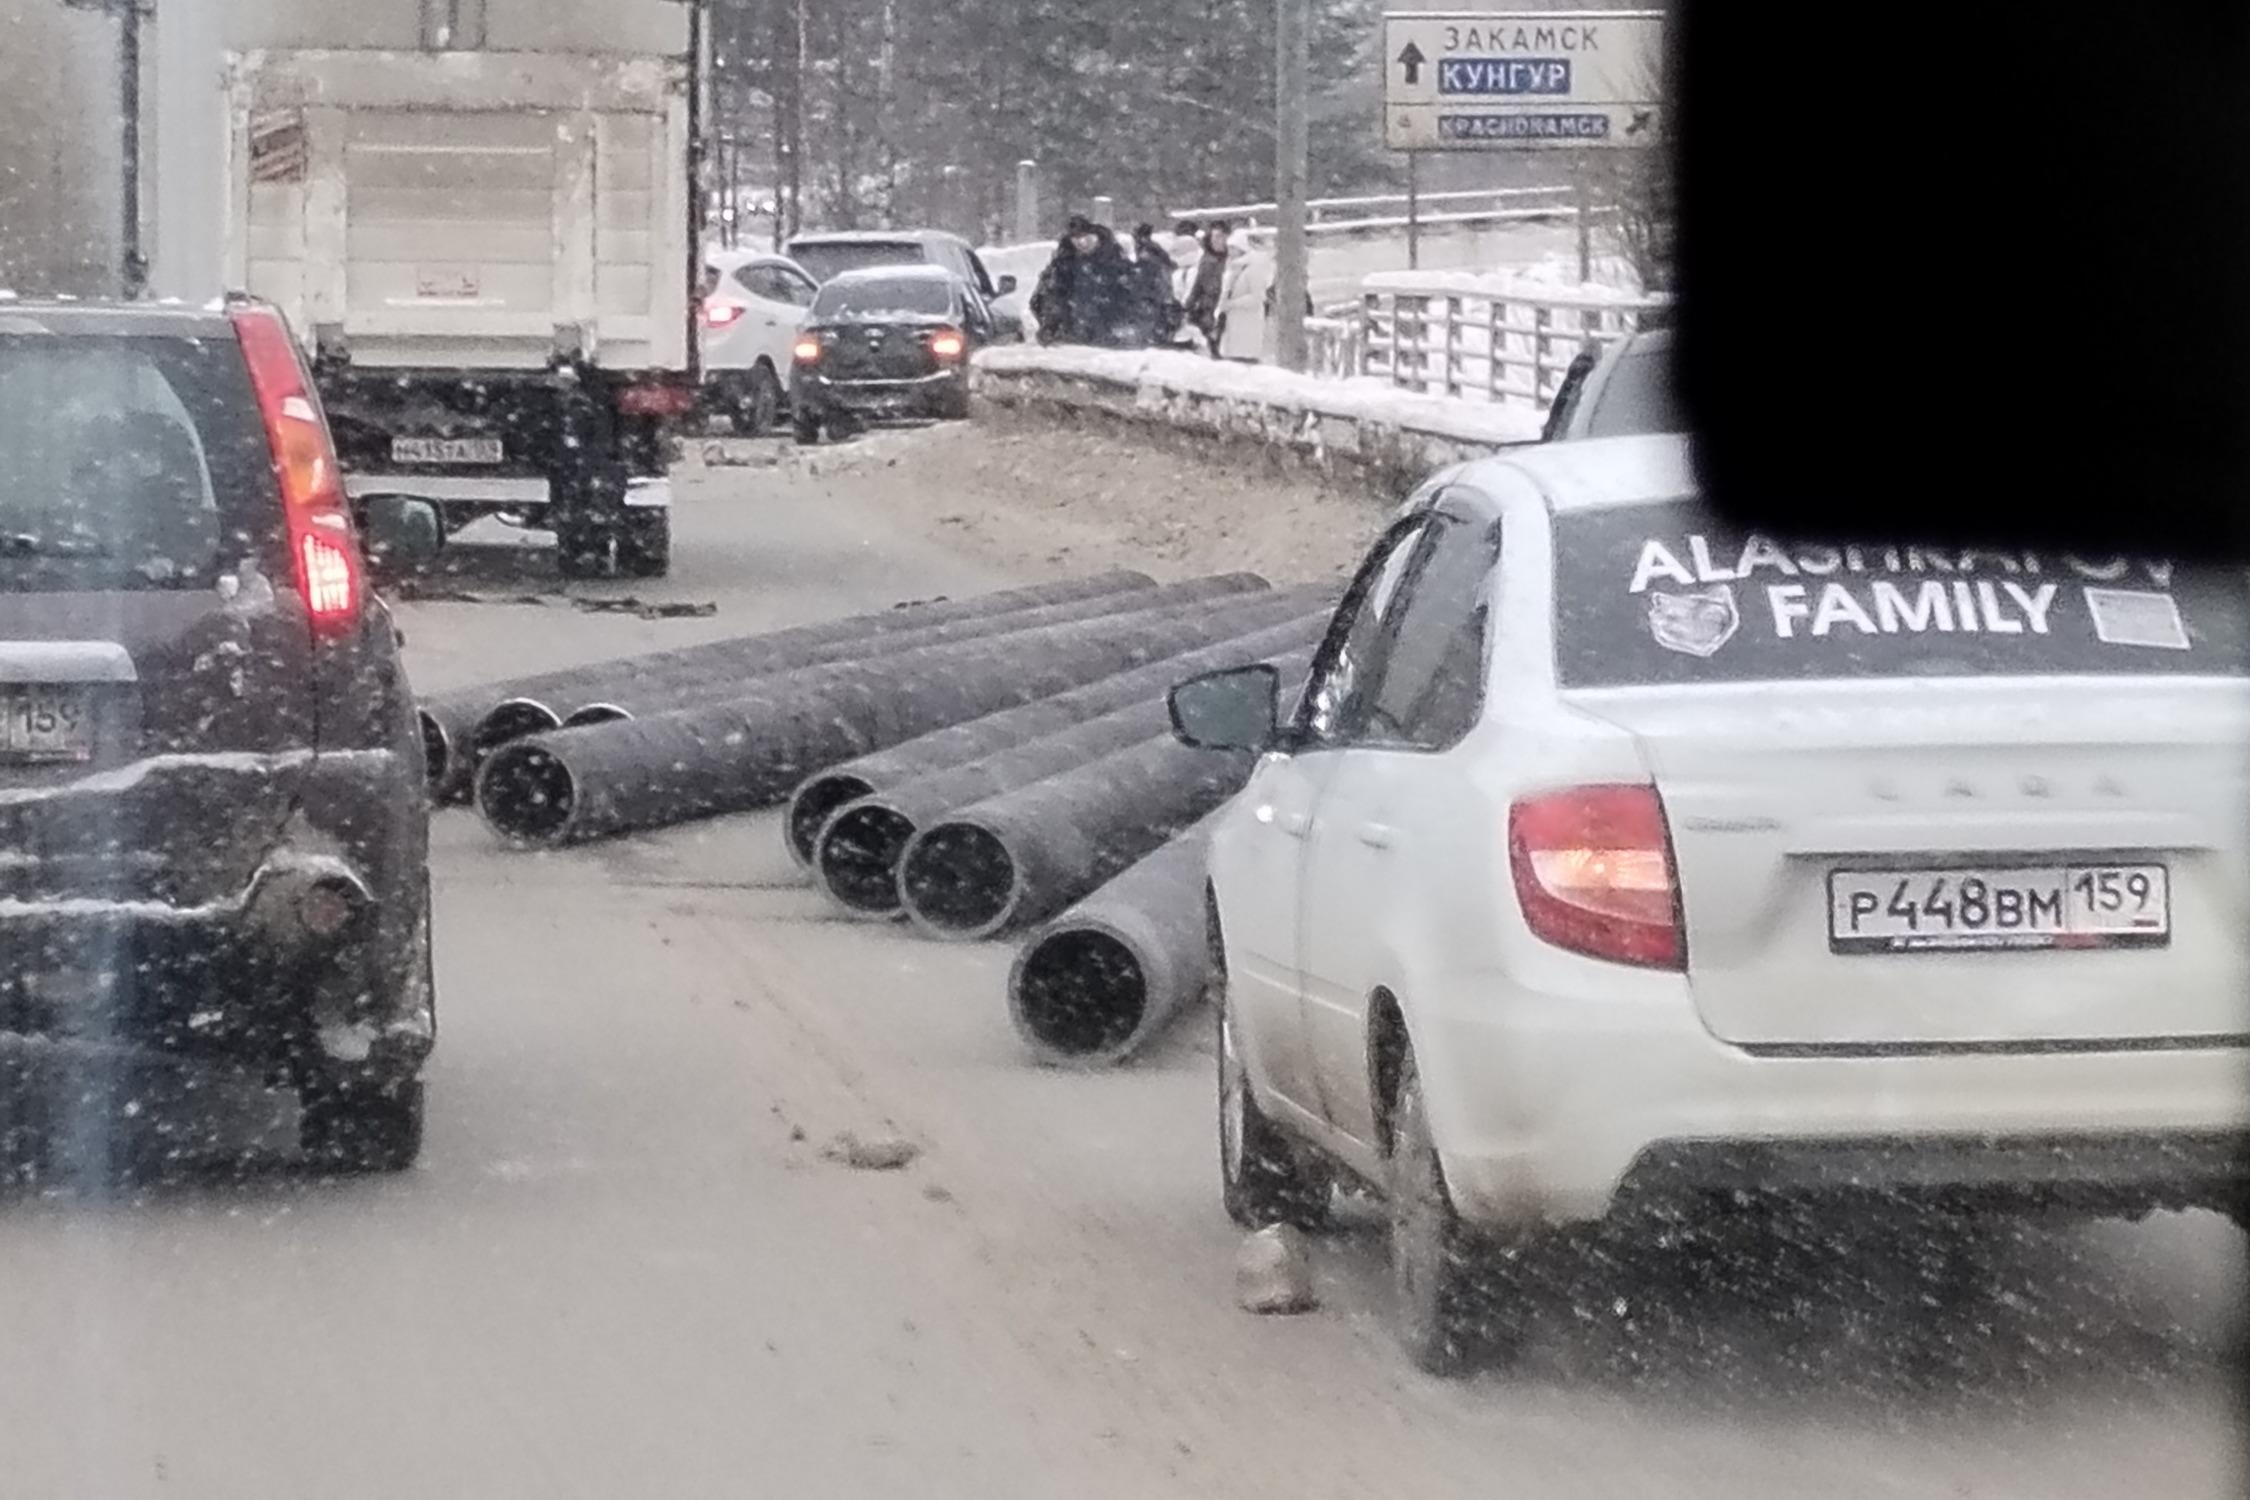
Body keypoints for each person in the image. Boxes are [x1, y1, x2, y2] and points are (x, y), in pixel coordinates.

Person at [1032, 216, 1139, 347]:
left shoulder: (1115, 261)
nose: (1082, 243)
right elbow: (1045, 297)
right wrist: (1050, 325)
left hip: (1110, 335)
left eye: (1087, 238)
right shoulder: (1063, 264)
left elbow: (1132, 295)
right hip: (1070, 336)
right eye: (1076, 239)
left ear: (1097, 237)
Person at [1182, 219, 1237, 357]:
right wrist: (1187, 306)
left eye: (1220, 237)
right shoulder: (1206, 260)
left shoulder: (1234, 261)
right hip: (1208, 312)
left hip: (1228, 312)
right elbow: (1198, 285)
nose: (1217, 241)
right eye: (1214, 237)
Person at [1129, 224, 1184, 347]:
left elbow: (1157, 268)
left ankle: (1158, 338)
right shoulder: (1151, 247)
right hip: (1155, 287)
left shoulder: (1147, 248)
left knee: (1157, 313)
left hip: (1155, 287)